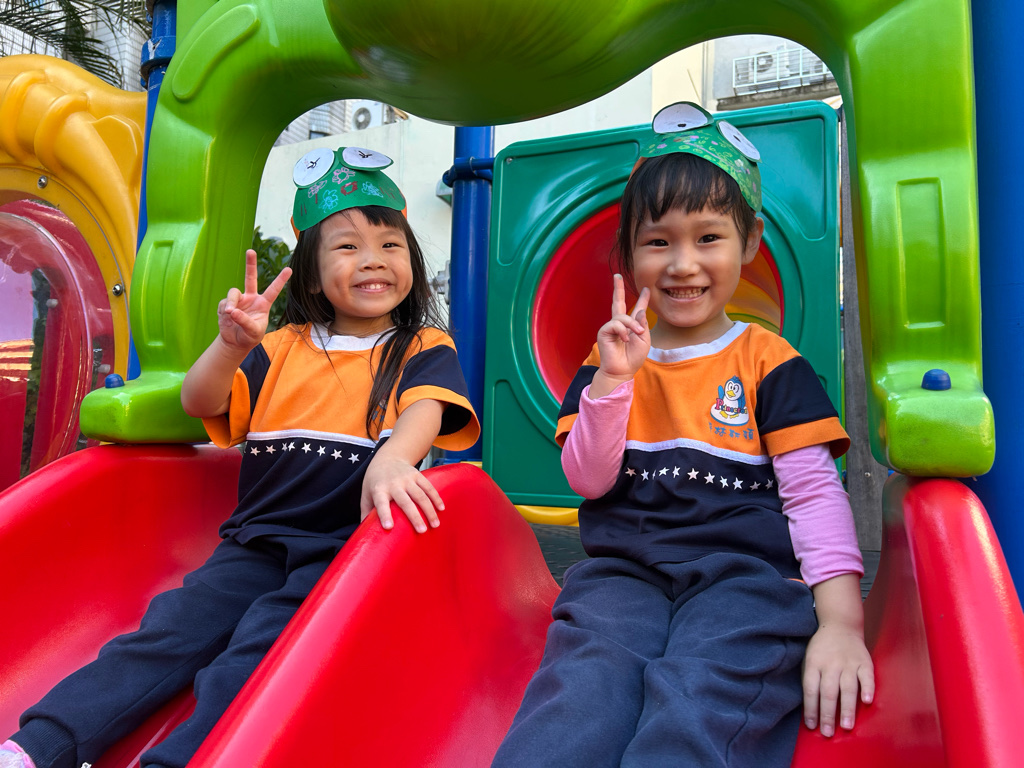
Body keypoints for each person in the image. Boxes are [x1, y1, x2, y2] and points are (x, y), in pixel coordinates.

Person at [0, 147, 479, 768]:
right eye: (348, 246)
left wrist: (394, 459)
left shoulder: (420, 344)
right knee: (164, 636)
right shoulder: (279, 347)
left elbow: (426, 410)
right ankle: (38, 745)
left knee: (252, 662)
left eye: (391, 245)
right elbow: (200, 400)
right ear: (311, 275)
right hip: (252, 543)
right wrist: (230, 346)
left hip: (340, 556)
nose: (373, 260)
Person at [491, 103, 873, 768]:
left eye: (708, 238)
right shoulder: (609, 358)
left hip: (745, 578)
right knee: (582, 688)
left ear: (749, 242)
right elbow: (588, 480)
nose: (683, 263)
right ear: (628, 252)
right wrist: (614, 382)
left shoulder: (768, 361)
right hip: (624, 574)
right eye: (659, 242)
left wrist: (841, 622)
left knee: (701, 693)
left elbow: (814, 497)